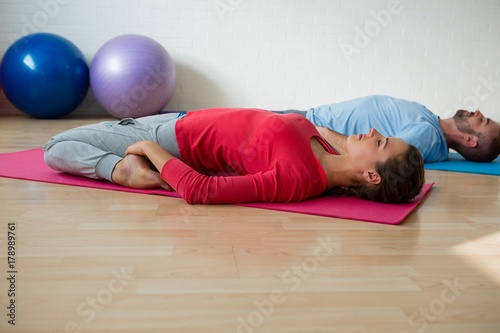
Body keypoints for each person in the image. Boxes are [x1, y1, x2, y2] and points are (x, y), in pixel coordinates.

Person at [43, 108, 425, 204]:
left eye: (381, 143)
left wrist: (147, 150)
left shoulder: (297, 180)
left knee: (55, 147)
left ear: (372, 176)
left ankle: (120, 171)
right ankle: (122, 156)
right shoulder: (327, 148)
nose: (374, 132)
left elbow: (203, 191)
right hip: (182, 120)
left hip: (170, 138)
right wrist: (346, 145)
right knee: (102, 131)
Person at [279, 95, 500, 163]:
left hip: (310, 127)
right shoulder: (430, 121)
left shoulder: (427, 136)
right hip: (309, 118)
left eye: (483, 121)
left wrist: (322, 133)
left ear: (471, 140)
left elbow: (378, 158)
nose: (478, 112)